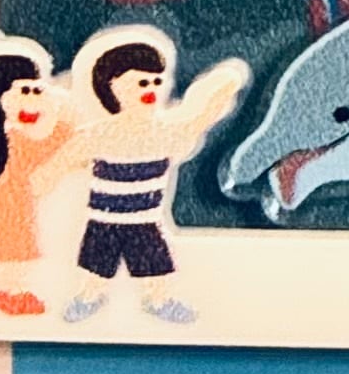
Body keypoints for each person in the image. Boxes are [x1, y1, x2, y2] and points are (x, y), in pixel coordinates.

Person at [64, 28, 252, 330]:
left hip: (145, 221)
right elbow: (64, 160)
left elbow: (199, 121)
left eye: (156, 81)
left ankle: (159, 301)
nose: (150, 88)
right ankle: (88, 298)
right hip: (103, 220)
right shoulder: (99, 133)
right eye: (141, 82)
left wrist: (222, 89)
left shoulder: (165, 133)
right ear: (114, 86)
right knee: (95, 268)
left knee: (156, 269)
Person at [0, 47, 83, 317]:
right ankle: (6, 292)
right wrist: (57, 106)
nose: (34, 96)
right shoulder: (19, 140)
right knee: (11, 250)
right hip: (14, 209)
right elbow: (62, 137)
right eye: (27, 89)